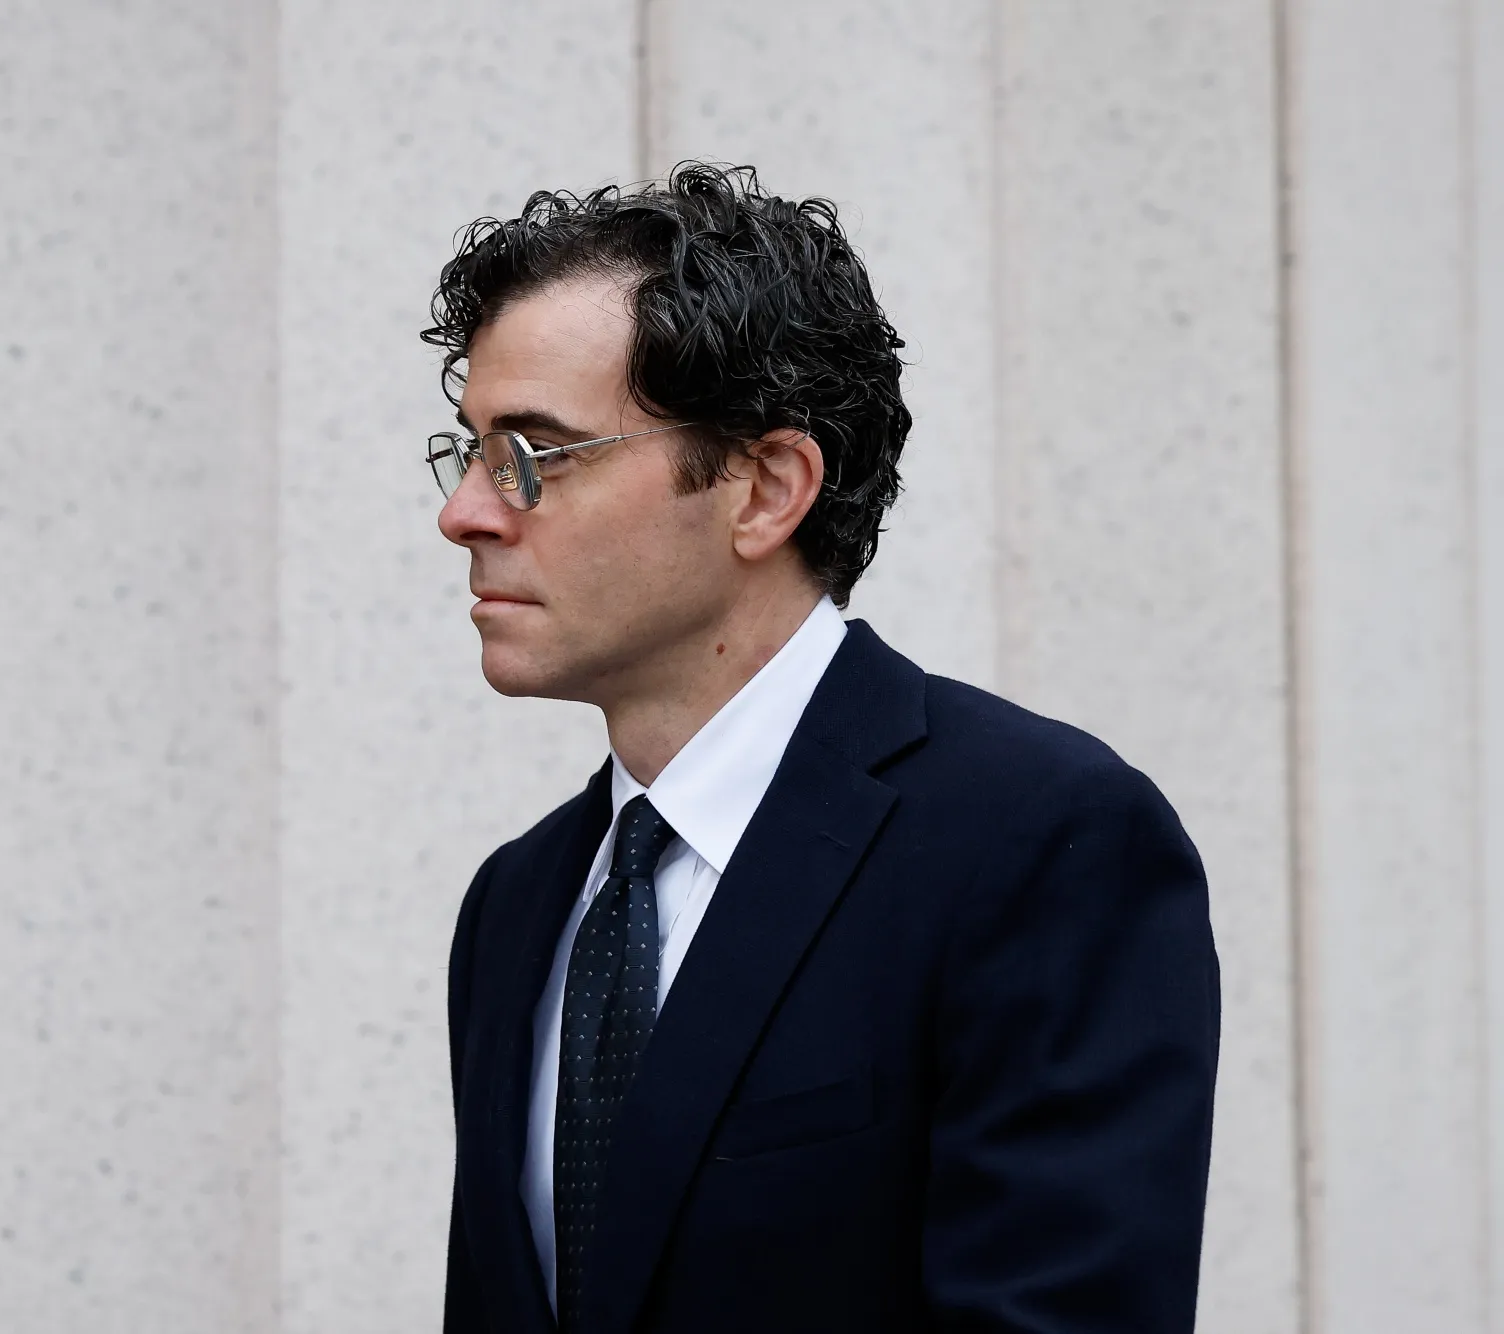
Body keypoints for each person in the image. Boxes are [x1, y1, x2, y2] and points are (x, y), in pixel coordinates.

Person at [423, 163, 1220, 1334]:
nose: (469, 512)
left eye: (534, 455)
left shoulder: (1034, 840)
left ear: (764, 488)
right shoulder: (518, 902)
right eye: (471, 451)